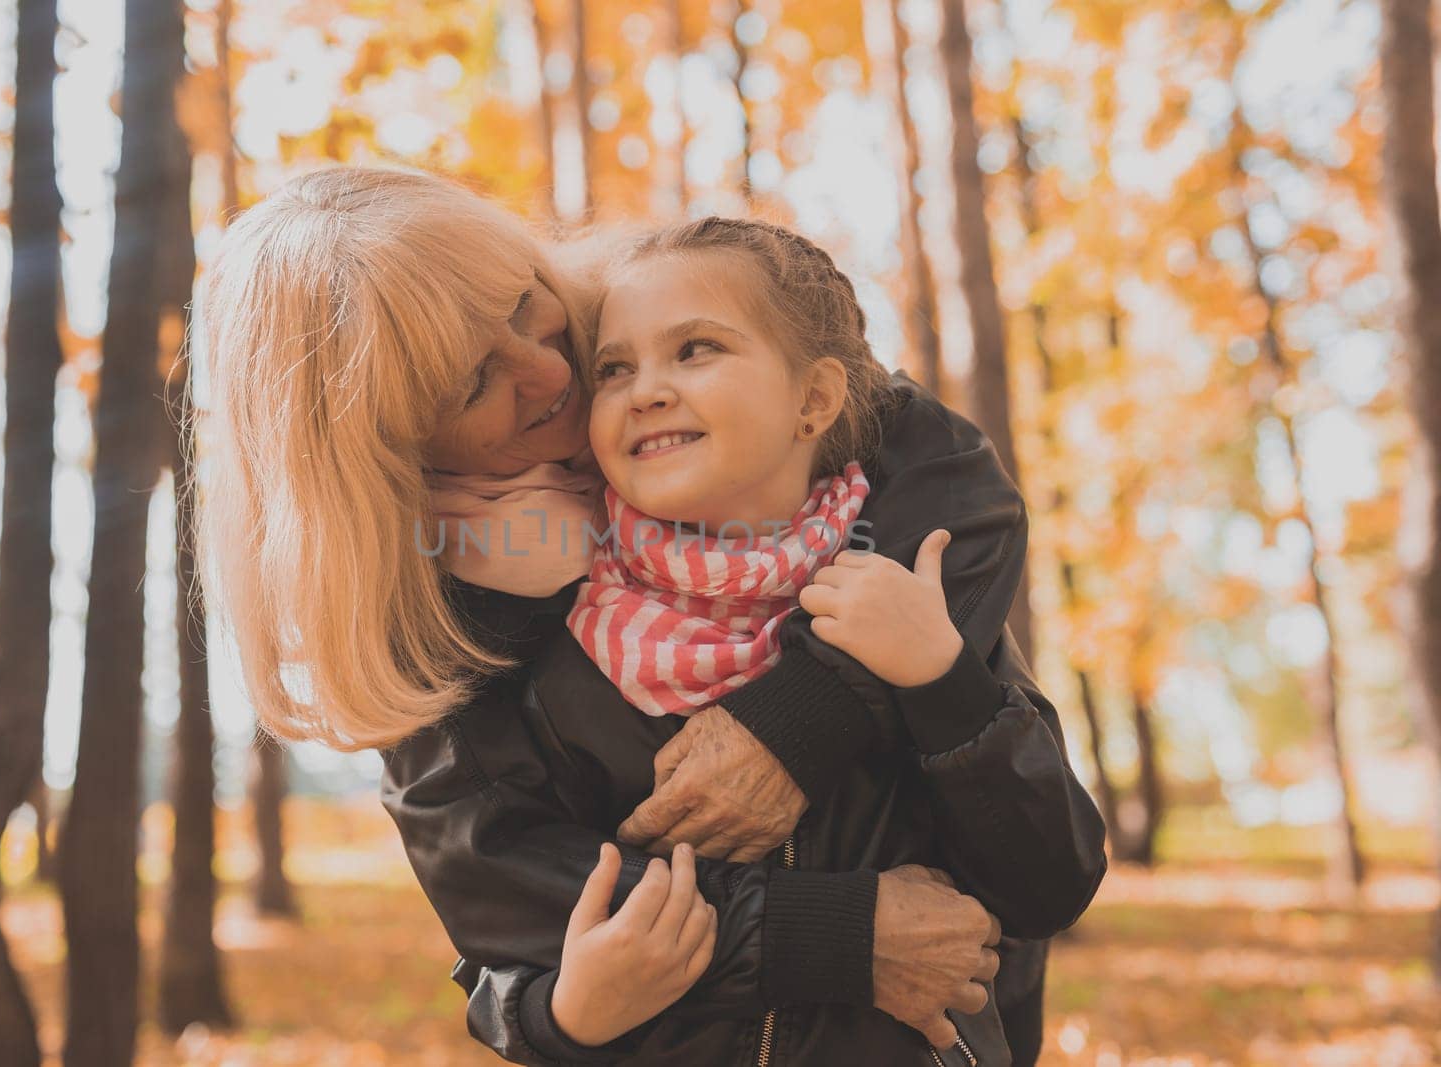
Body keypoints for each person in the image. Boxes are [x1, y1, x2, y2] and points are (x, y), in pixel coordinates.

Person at [194, 166, 1106, 1065]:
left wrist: (800, 717)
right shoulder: (446, 640)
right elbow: (521, 916)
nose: (553, 371)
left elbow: (950, 477)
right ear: (386, 455)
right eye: (475, 383)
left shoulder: (706, 365)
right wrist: (839, 935)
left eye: (522, 306)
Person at [447, 216, 1104, 1064]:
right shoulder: (560, 651)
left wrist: (943, 684)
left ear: (815, 400)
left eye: (696, 350)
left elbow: (1051, 881)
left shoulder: (905, 602)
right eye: (614, 368)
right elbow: (513, 943)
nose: (646, 388)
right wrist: (561, 1018)